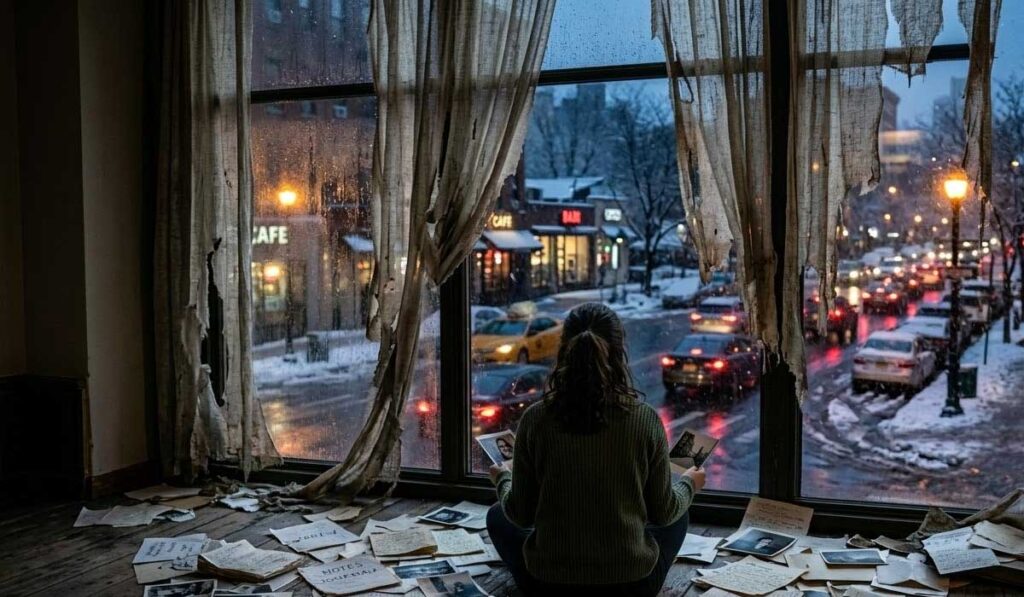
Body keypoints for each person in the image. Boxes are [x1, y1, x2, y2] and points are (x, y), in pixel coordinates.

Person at [486, 303, 705, 596]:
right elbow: (664, 513)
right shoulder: (644, 418)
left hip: (547, 584)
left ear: (563, 349)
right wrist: (690, 483)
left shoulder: (536, 419)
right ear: (619, 352)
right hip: (632, 585)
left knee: (498, 516)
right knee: (680, 515)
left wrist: (503, 478)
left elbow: (520, 514)